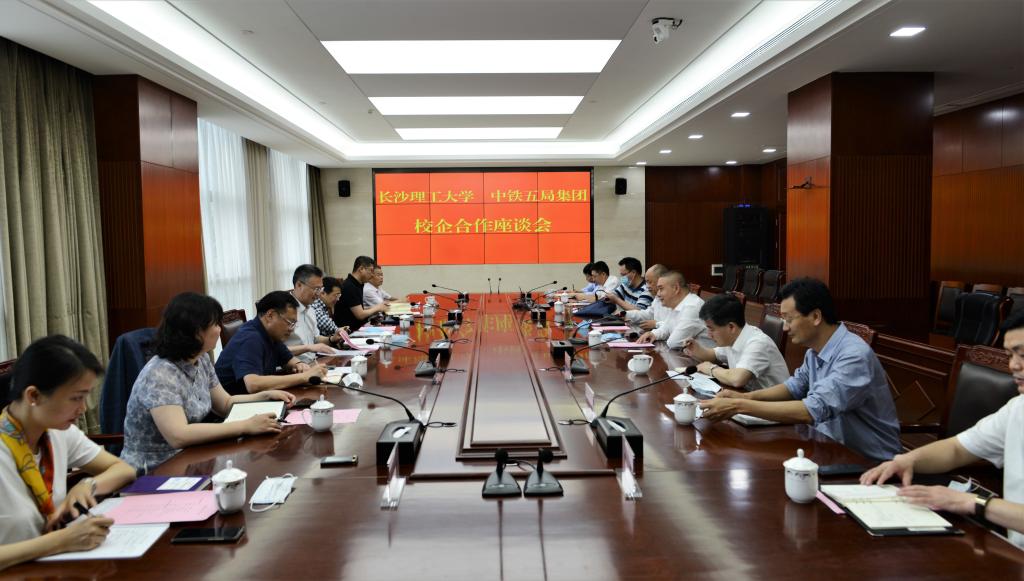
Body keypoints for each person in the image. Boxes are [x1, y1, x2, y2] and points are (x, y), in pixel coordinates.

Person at [860, 310, 1024, 548]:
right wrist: (908, 460)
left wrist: (970, 502)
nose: (1013, 365)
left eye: (1022, 354)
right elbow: (958, 449)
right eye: (1010, 355)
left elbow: (969, 499)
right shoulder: (1017, 408)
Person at [699, 278, 900, 461]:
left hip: (867, 462)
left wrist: (737, 405)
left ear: (815, 316)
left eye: (789, 319)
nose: (785, 328)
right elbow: (793, 387)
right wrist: (745, 397)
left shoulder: (854, 355)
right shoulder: (815, 351)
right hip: (826, 447)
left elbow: (812, 410)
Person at [0, 336, 136, 570]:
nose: (82, 408)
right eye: (76, 398)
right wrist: (60, 541)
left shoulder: (57, 432)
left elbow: (124, 469)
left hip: (53, 569)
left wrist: (87, 485)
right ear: (33, 396)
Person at [120, 292, 296, 471]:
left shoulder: (200, 358)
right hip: (155, 469)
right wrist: (245, 426)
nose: (219, 330)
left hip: (192, 455)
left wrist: (264, 396)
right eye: (215, 324)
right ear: (195, 331)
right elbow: (179, 435)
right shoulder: (160, 373)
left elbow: (225, 403)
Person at [215, 291, 325, 395]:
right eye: (290, 322)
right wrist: (305, 377)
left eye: (294, 324)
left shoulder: (271, 334)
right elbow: (253, 384)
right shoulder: (250, 337)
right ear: (270, 316)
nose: (292, 329)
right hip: (234, 404)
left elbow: (288, 359)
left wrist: (299, 364)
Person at [683, 293, 790, 390]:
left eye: (712, 329)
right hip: (750, 397)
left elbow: (737, 379)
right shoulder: (732, 337)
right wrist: (696, 349)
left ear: (731, 327)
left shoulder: (757, 343)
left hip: (774, 404)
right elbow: (713, 355)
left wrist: (710, 368)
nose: (709, 334)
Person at [634, 271, 710, 349]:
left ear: (676, 288)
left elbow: (674, 342)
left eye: (661, 289)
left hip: (700, 356)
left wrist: (663, 333)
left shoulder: (692, 306)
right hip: (685, 354)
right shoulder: (678, 304)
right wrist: (654, 334)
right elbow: (667, 327)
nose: (658, 294)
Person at [284, 264, 342, 363]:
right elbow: (276, 350)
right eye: (316, 289)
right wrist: (307, 348)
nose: (318, 294)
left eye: (320, 289)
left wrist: (332, 339)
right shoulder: (283, 309)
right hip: (294, 366)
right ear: (299, 285)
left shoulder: (311, 308)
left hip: (313, 362)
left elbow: (315, 339)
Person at [335, 256, 389, 332]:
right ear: (361, 269)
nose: (372, 275)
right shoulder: (350, 286)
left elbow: (358, 309)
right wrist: (378, 308)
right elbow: (360, 315)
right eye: (371, 271)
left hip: (359, 328)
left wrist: (374, 311)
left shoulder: (358, 284)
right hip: (350, 331)